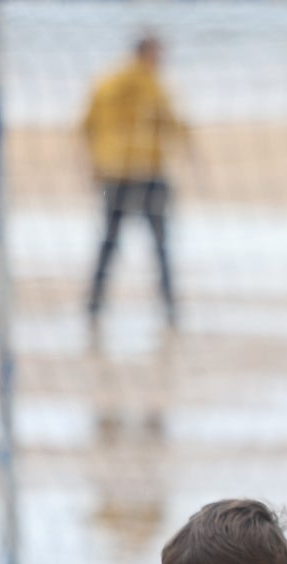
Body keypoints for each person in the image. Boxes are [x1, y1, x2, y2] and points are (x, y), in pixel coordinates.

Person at [80, 32, 191, 336]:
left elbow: (86, 125)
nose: (161, 61)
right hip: (146, 174)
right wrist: (192, 151)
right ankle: (169, 308)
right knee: (158, 245)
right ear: (148, 54)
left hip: (114, 173)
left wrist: (93, 163)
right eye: (159, 55)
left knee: (109, 242)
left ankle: (94, 306)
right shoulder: (154, 85)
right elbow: (175, 124)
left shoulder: (105, 81)